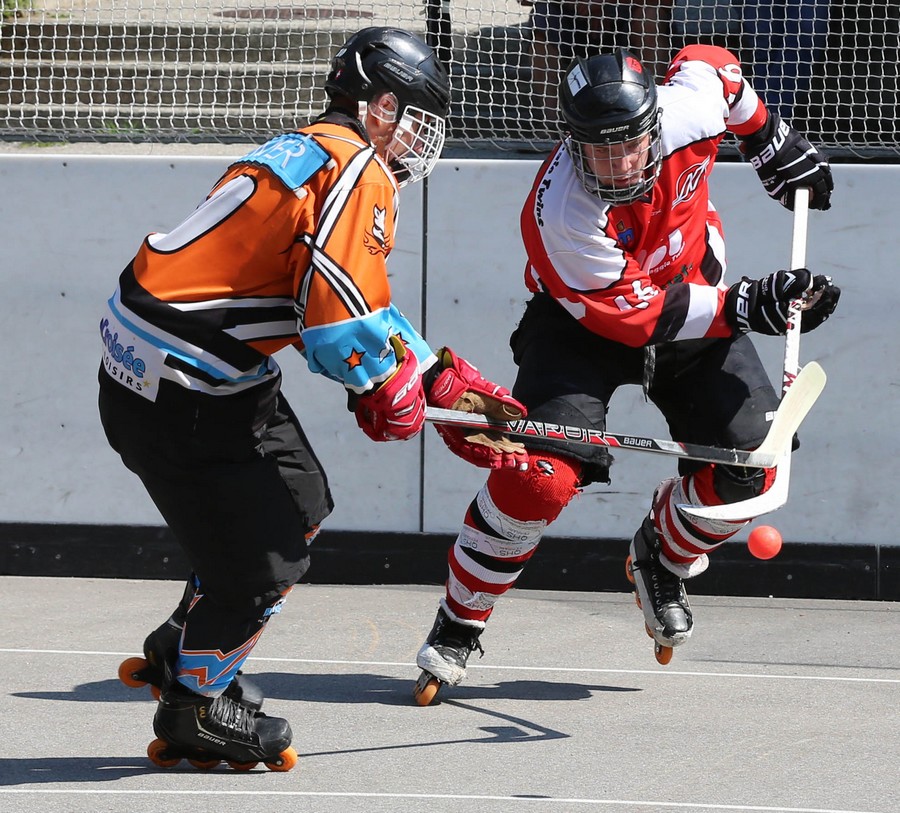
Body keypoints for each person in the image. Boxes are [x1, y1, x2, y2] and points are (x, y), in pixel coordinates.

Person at [99, 26, 528, 769]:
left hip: (176, 370)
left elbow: (325, 295)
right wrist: (387, 388)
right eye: (418, 120)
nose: (420, 141)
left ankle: (185, 643)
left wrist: (433, 376)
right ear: (382, 107)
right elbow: (337, 324)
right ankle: (196, 707)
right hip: (185, 387)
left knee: (299, 502)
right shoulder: (361, 169)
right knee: (267, 558)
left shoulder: (309, 149)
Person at [413, 44, 839, 704]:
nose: (616, 165)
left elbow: (716, 67)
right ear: (571, 143)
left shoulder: (688, 111)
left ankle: (661, 557)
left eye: (629, 146)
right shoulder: (560, 211)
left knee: (754, 467)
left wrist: (767, 139)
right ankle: (459, 621)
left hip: (695, 305)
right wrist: (748, 305)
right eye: (597, 150)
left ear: (653, 126)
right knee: (538, 477)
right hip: (585, 327)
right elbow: (639, 317)